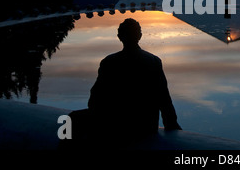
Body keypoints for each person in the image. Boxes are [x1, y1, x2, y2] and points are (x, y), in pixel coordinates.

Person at [66, 18, 181, 147]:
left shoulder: (109, 62)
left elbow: (95, 98)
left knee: (72, 119)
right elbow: (164, 98)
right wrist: (171, 124)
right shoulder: (154, 61)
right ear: (140, 36)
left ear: (119, 36)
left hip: (117, 124)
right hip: (146, 125)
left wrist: (100, 115)